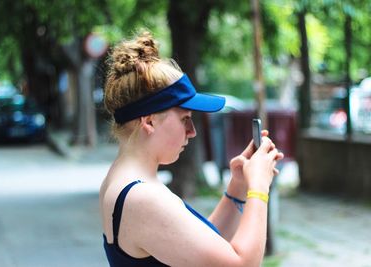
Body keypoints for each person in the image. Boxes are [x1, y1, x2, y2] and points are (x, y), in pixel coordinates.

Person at [99, 31, 284, 267]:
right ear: (150, 121)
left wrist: (238, 188)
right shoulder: (142, 197)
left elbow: (196, 250)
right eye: (185, 118)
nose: (192, 131)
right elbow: (242, 264)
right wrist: (258, 188)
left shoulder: (120, 180)